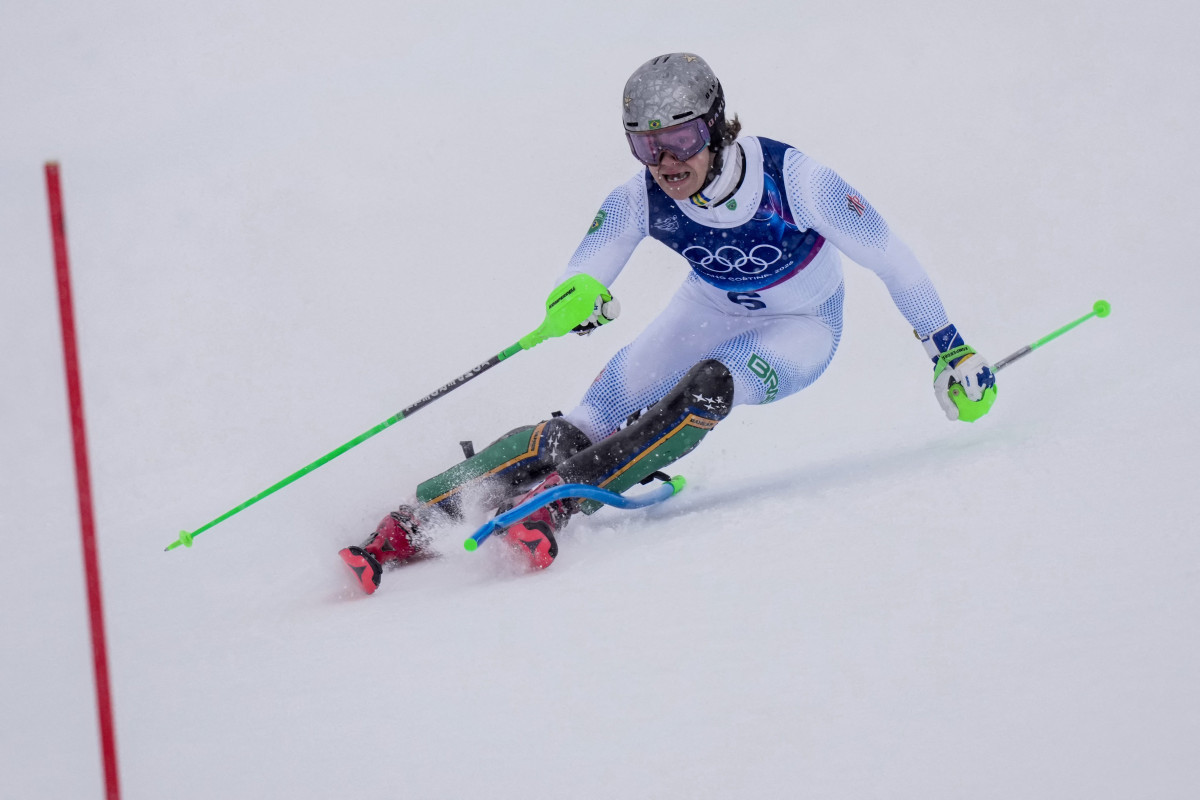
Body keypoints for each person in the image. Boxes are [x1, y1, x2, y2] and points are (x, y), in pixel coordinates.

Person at [339, 52, 997, 594]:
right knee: (578, 426)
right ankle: (413, 519)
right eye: (645, 144)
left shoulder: (795, 180)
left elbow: (895, 261)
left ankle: (556, 505)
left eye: (679, 138)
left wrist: (950, 350)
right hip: (707, 307)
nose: (665, 161)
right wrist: (580, 296)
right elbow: (590, 263)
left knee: (709, 387)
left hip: (800, 328)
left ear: (716, 128)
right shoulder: (640, 196)